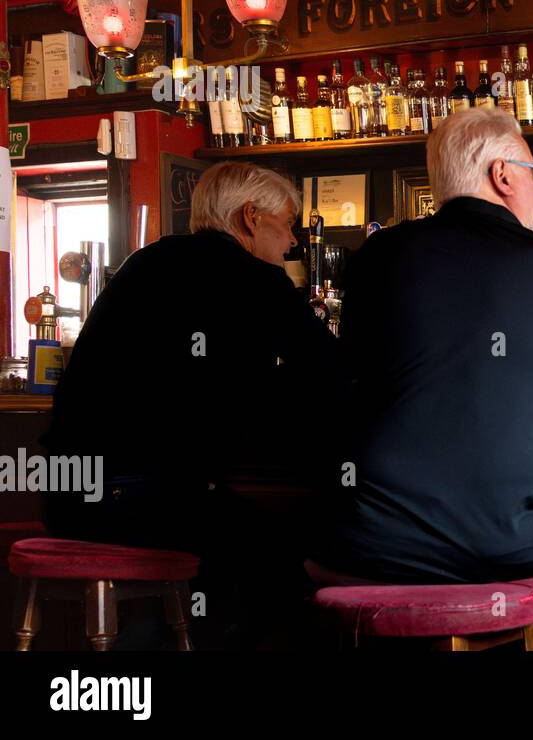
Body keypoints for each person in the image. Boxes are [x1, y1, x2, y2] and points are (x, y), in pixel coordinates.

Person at [316, 107, 533, 650]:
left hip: (372, 551)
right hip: (513, 553)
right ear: (503, 175)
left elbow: (356, 374)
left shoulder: (377, 256)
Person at [43, 161, 343, 647]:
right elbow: (328, 373)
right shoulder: (256, 280)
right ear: (250, 217)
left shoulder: (143, 263)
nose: (291, 240)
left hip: (70, 498)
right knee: (294, 553)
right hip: (143, 501)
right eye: (286, 223)